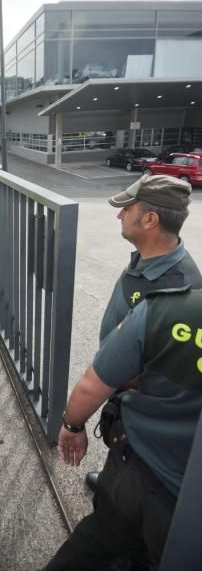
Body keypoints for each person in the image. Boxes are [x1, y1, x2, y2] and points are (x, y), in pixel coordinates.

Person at [43, 283, 202, 570]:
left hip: (133, 467)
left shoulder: (168, 309)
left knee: (98, 540)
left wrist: (73, 426)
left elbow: (93, 385)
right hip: (185, 507)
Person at [86, 174, 202, 493]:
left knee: (137, 474)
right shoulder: (149, 257)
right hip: (122, 390)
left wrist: (108, 378)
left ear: (150, 220)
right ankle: (116, 475)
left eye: (127, 209)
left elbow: (162, 370)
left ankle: (120, 488)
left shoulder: (180, 286)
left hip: (143, 408)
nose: (119, 214)